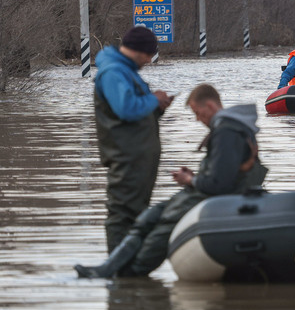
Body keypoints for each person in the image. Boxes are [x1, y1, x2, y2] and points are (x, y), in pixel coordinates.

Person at [76, 84, 267, 278]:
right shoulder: (228, 126)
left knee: (164, 226)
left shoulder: (227, 132)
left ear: (209, 105)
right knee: (148, 217)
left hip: (219, 196)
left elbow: (220, 184)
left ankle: (130, 276)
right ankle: (108, 268)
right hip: (205, 191)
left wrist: (190, 180)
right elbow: (222, 172)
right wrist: (194, 178)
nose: (197, 119)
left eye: (197, 113)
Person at [94, 26, 175, 253]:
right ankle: (118, 273)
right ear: (138, 51)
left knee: (135, 214)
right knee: (122, 215)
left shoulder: (125, 72)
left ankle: (130, 275)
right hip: (126, 158)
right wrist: (153, 99)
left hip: (138, 159)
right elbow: (126, 109)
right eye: (149, 55)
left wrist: (157, 107)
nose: (149, 60)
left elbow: (134, 114)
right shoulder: (113, 72)